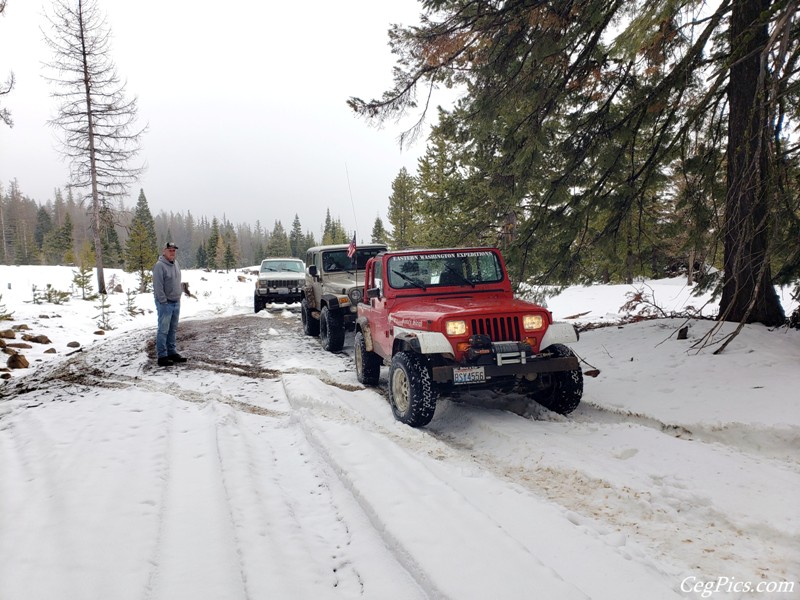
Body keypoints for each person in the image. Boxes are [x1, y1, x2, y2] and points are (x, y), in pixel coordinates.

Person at [153, 242, 187, 366]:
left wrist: (178, 296)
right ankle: (162, 356)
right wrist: (163, 301)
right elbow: (158, 286)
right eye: (170, 250)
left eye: (174, 250)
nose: (172, 252)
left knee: (172, 329)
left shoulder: (176, 263)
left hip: (176, 301)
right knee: (163, 330)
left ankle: (172, 352)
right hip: (165, 303)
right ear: (164, 251)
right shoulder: (159, 266)